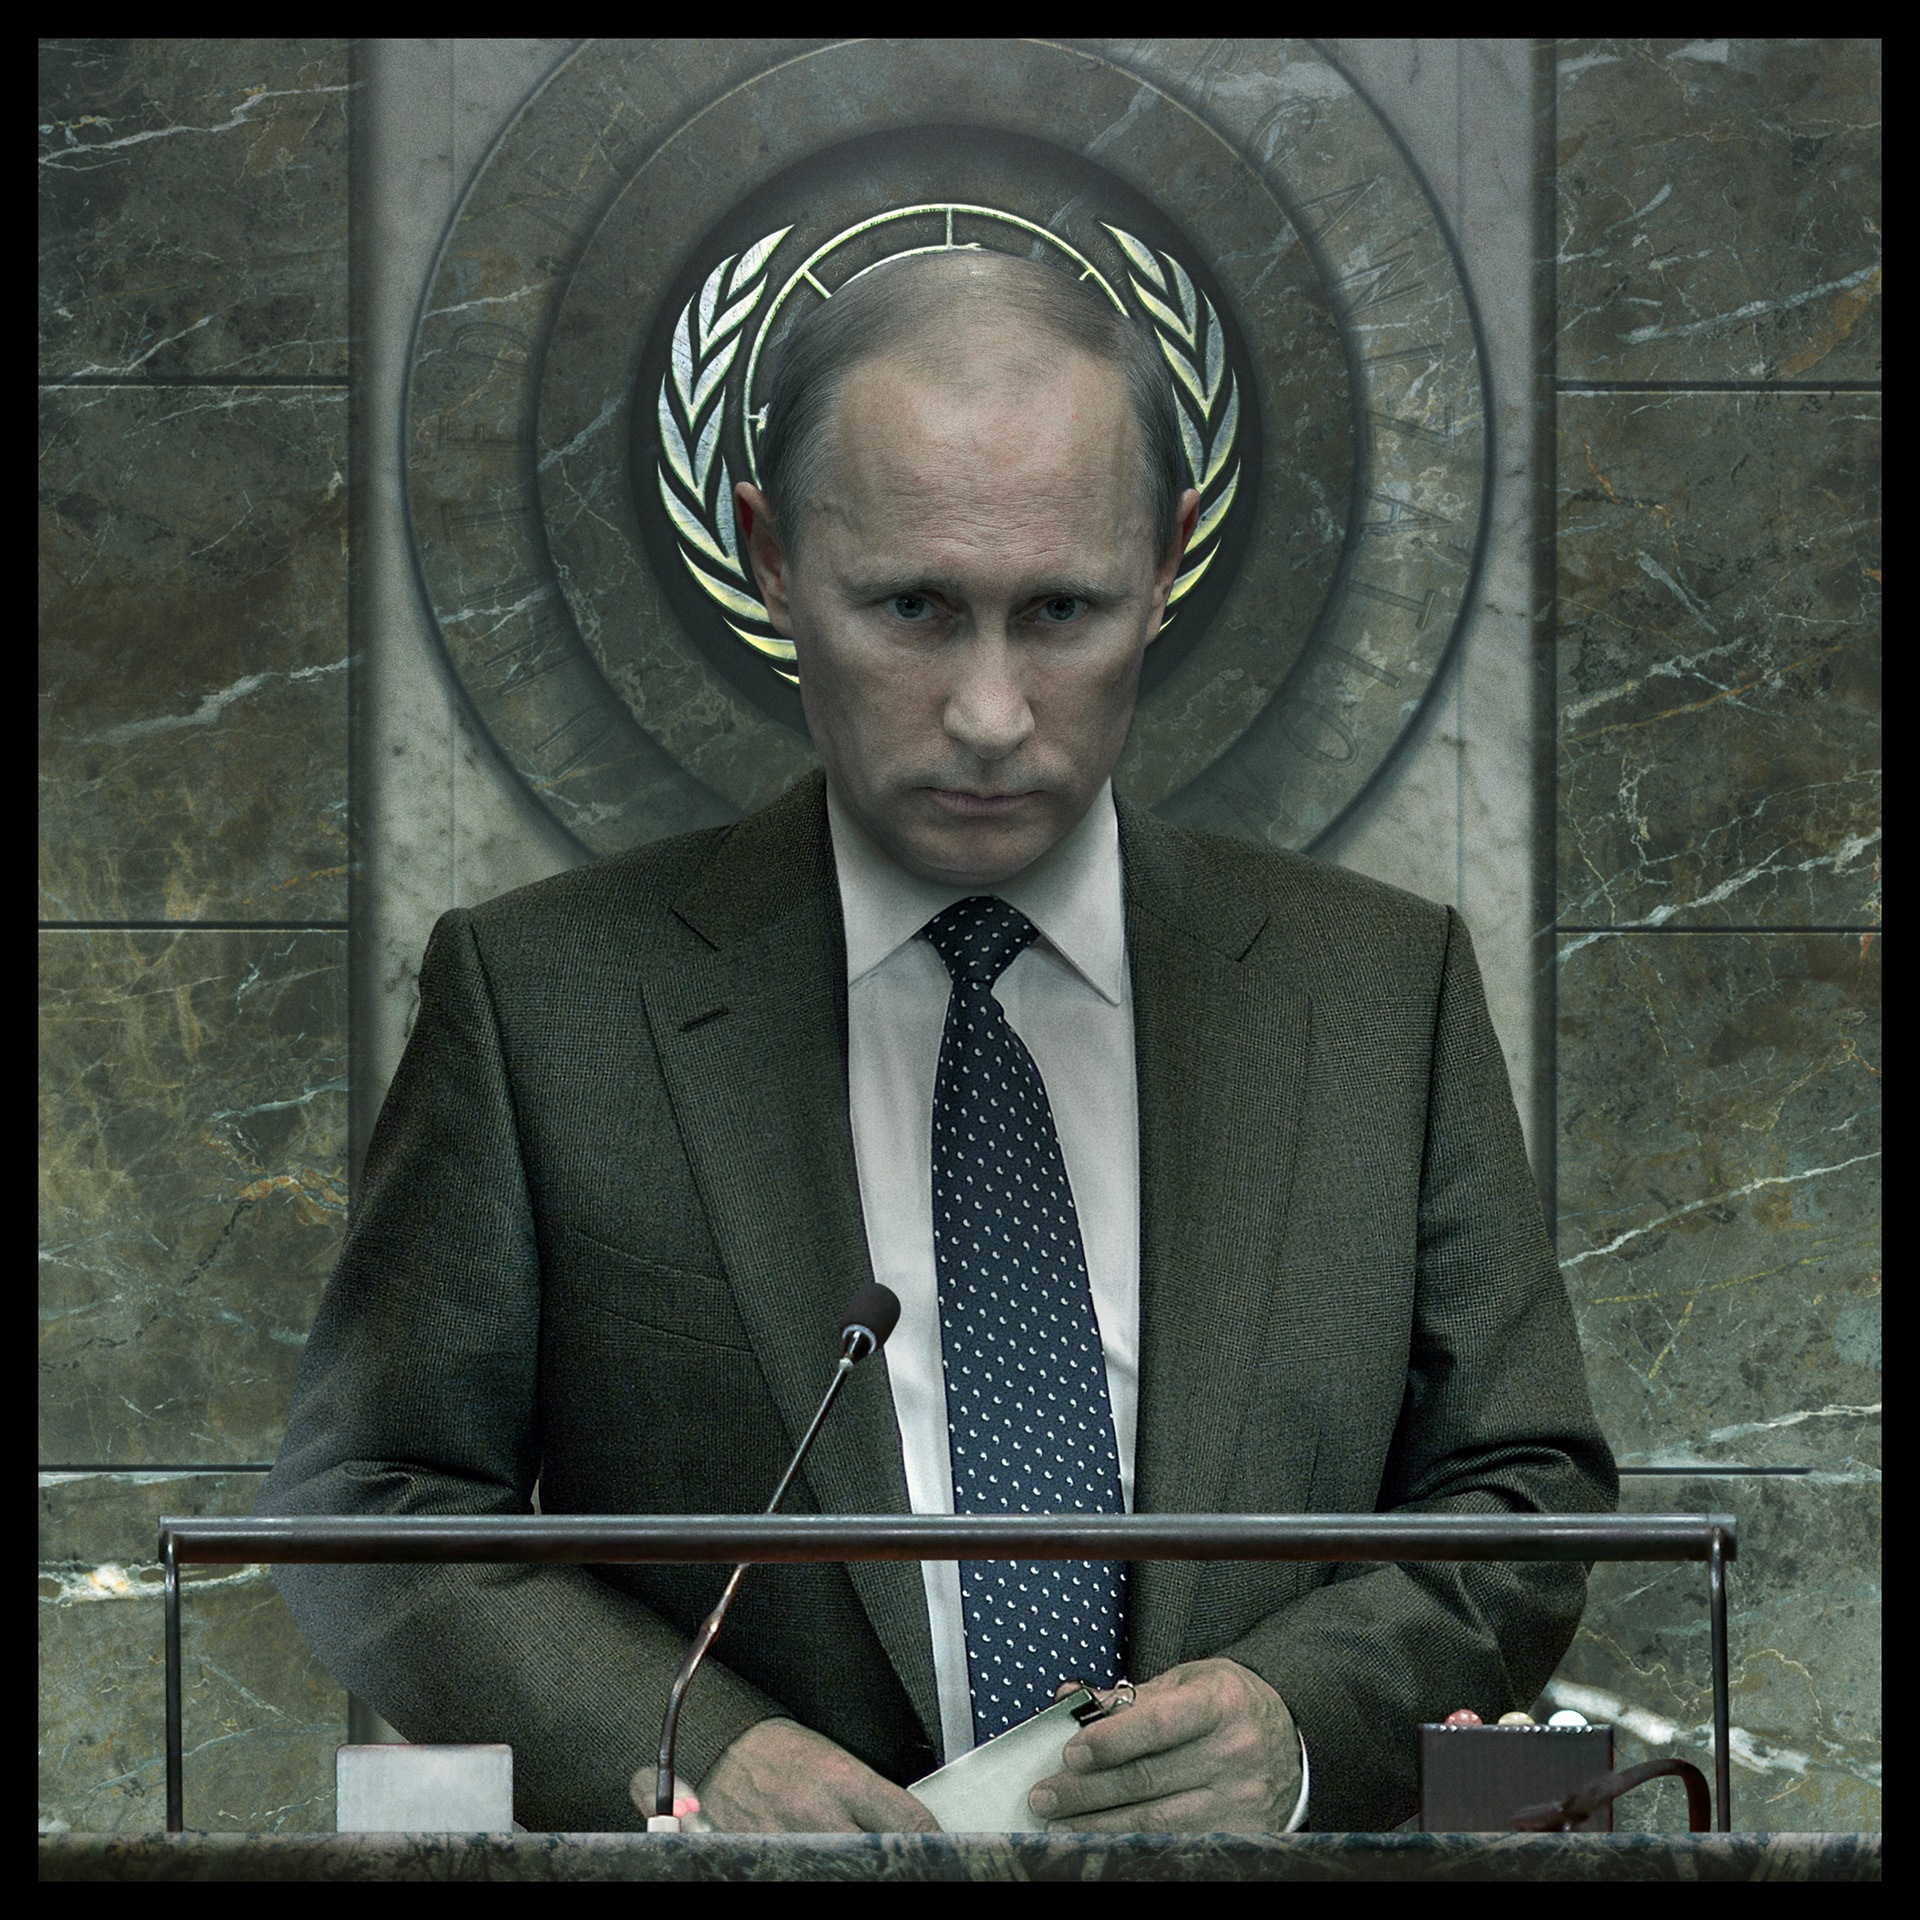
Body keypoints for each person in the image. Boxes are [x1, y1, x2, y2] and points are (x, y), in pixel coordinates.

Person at [257, 249, 1616, 1836]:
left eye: (1060, 612)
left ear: (1166, 563)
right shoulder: (544, 1001)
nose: (988, 712)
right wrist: (690, 1753)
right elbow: (376, 1503)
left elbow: (1522, 1492)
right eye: (912, 608)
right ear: (772, 558)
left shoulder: (1380, 991)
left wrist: (1298, 1725)